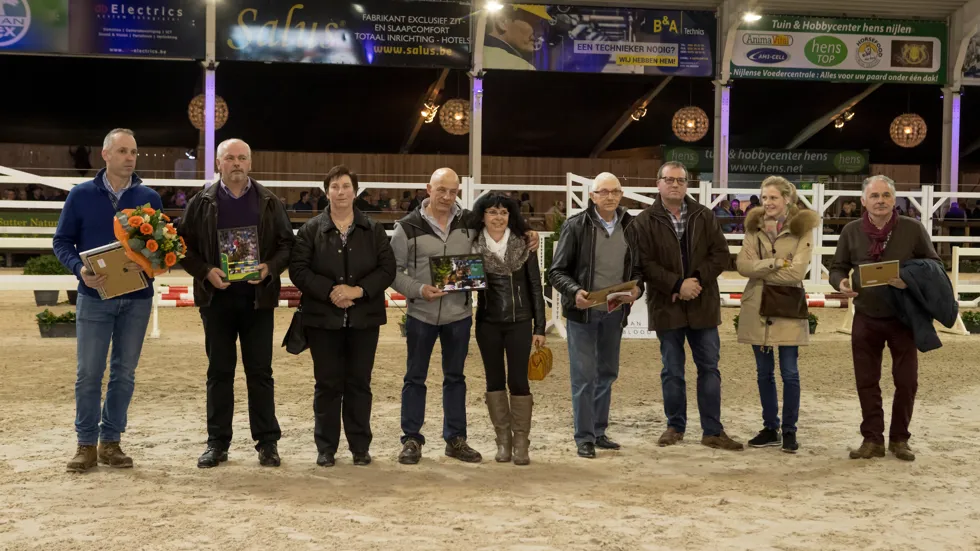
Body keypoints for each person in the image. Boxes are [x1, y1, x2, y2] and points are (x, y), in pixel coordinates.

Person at [390, 168, 538, 464]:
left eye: (453, 191)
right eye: (441, 190)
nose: (447, 196)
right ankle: (411, 439)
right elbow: (393, 271)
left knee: (455, 378)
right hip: (420, 313)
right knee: (414, 378)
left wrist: (527, 233)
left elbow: (502, 227)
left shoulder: (470, 222)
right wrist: (418, 289)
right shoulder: (406, 227)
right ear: (427, 189)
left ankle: (456, 439)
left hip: (459, 316)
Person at [179, 138, 295, 469]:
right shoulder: (200, 203)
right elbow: (181, 245)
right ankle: (217, 442)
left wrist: (270, 268)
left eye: (242, 158)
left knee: (260, 372)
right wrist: (205, 272)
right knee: (219, 372)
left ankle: (267, 442)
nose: (236, 164)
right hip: (216, 300)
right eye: (229, 158)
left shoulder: (271, 202)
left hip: (258, 301)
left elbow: (287, 244)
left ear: (251, 163)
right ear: (219, 164)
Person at [53, 128, 163, 472]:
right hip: (94, 296)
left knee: (124, 374)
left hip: (137, 298)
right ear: (105, 155)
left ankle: (110, 442)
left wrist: (148, 261)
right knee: (88, 373)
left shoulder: (150, 198)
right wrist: (79, 270)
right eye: (123, 151)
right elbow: (61, 242)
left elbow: (161, 251)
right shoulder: (81, 195)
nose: (130, 157)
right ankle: (85, 443)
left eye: (133, 152)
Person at [633, 161, 743, 451]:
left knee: (709, 367)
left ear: (686, 185)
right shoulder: (644, 221)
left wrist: (694, 280)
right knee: (672, 369)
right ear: (658, 184)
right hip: (666, 305)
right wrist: (675, 285)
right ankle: (675, 426)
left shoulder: (704, 216)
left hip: (702, 303)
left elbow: (720, 255)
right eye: (669, 180)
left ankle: (712, 430)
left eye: (680, 180)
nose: (675, 185)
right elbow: (644, 263)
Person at [290, 165, 395, 467]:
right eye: (334, 186)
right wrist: (332, 291)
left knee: (359, 384)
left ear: (355, 191)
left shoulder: (373, 230)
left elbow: (387, 269)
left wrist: (358, 291)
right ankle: (326, 448)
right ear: (326, 192)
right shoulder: (311, 230)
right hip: (323, 320)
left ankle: (360, 446)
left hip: (364, 320)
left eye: (346, 186)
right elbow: (298, 269)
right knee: (327, 384)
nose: (340, 192)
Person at [830, 175, 941, 462]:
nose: (880, 200)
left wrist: (909, 280)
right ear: (863, 201)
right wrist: (841, 283)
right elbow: (837, 268)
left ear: (894, 200)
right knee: (866, 380)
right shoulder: (851, 232)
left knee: (907, 381)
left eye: (886, 196)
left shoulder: (913, 229)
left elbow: (934, 266)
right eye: (875, 196)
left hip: (903, 318)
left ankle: (900, 439)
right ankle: (872, 439)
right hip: (866, 316)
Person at [548, 172, 643, 459]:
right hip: (583, 315)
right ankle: (584, 437)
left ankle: (599, 431)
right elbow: (556, 271)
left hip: (614, 313)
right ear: (592, 196)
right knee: (584, 376)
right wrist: (574, 291)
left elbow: (639, 268)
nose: (610, 197)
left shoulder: (632, 226)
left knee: (607, 373)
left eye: (615, 191)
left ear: (621, 193)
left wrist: (637, 289)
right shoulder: (576, 226)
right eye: (603, 192)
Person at [736, 177, 819, 454]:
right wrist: (773, 263)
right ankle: (770, 427)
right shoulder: (753, 227)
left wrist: (762, 269)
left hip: (786, 307)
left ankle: (790, 430)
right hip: (757, 307)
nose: (768, 203)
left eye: (773, 198)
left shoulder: (803, 228)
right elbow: (743, 266)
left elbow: (797, 272)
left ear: (787, 199)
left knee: (790, 372)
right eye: (764, 197)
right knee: (763, 373)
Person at [470, 192, 546, 466]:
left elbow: (536, 286)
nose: (498, 217)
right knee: (493, 380)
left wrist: (540, 326)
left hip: (520, 322)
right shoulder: (472, 245)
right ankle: (503, 440)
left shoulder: (524, 244)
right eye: (492, 212)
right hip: (487, 323)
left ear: (510, 216)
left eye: (503, 212)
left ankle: (522, 441)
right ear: (482, 216)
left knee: (518, 381)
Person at [484, 4, 551, 70]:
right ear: (502, 21)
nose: (541, 32)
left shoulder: (476, 54)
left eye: (541, 25)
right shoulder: (522, 68)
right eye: (534, 23)